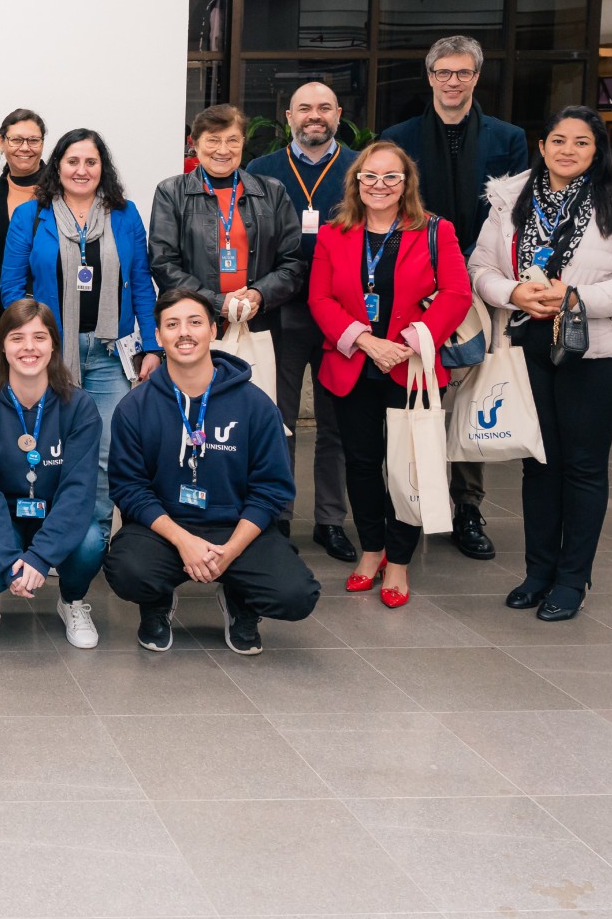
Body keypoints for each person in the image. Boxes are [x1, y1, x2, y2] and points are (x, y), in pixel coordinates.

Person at [473, 107, 612, 622]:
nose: (568, 150)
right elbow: (481, 268)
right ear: (541, 146)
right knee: (538, 463)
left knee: (581, 465)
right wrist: (514, 291)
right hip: (528, 343)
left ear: (597, 149)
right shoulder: (511, 197)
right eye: (558, 140)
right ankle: (538, 573)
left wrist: (577, 297)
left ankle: (572, 579)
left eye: (582, 143)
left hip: (600, 351)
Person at [381, 33, 531, 562]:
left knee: (472, 393)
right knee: (417, 394)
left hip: (479, 285)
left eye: (462, 73)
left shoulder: (507, 138)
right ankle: (414, 498)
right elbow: (387, 208)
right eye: (443, 72)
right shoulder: (398, 136)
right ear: (430, 77)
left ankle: (467, 506)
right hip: (412, 289)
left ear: (476, 77)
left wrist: (471, 272)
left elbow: (512, 215)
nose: (452, 81)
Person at [104, 289, 321, 654]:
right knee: (128, 571)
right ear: (158, 336)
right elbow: (130, 489)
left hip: (235, 526)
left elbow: (271, 489)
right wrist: (183, 541)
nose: (183, 333)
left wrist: (231, 551)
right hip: (165, 529)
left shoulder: (255, 405)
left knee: (297, 594)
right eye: (172, 325)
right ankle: (156, 604)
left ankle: (240, 601)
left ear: (213, 331)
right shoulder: (135, 407)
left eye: (194, 323)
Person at [307, 142, 472, 609]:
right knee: (360, 463)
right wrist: (365, 341)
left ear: (406, 183)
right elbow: (320, 299)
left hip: (413, 366)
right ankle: (371, 550)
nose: (379, 186)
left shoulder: (436, 231)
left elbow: (457, 294)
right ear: (356, 181)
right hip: (354, 363)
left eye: (390, 177)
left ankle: (398, 560)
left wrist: (407, 344)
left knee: (409, 464)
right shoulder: (334, 233)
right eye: (370, 177)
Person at [148, 102, 304, 529]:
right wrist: (215, 304)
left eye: (231, 139)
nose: (222, 148)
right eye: (212, 140)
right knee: (201, 422)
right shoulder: (172, 191)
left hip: (261, 326)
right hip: (197, 329)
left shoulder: (270, 190)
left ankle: (271, 523)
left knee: (269, 422)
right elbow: (162, 261)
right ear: (195, 144)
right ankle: (195, 513)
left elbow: (293, 262)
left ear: (243, 143)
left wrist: (257, 294)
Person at [0, 128, 162, 509]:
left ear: (102, 168)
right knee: (51, 451)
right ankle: (52, 540)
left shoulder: (125, 214)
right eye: (73, 161)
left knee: (108, 452)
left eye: (91, 162)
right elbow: (10, 287)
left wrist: (153, 346)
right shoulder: (31, 215)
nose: (81, 170)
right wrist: (33, 339)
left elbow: (141, 283)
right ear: (57, 166)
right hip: (50, 355)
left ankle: (96, 539)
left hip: (109, 354)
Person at [245, 82, 360, 564]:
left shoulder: (361, 167)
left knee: (337, 425)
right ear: (288, 115)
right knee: (280, 422)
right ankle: (278, 517)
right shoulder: (262, 170)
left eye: (324, 108)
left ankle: (331, 521)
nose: (315, 116)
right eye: (305, 108)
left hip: (344, 316)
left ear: (338, 114)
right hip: (281, 313)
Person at [0, 298, 108, 649]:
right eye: (17, 337)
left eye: (39, 337)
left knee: (89, 542)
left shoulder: (79, 406)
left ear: (54, 344)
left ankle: (71, 601)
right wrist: (10, 562)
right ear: (3, 347)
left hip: (54, 510)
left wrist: (39, 557)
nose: (29, 348)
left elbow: (78, 491)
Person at [0, 108, 46, 322]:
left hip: (54, 313)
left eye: (33, 140)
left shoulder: (64, 194)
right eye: (16, 140)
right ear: (2, 142)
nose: (25, 148)